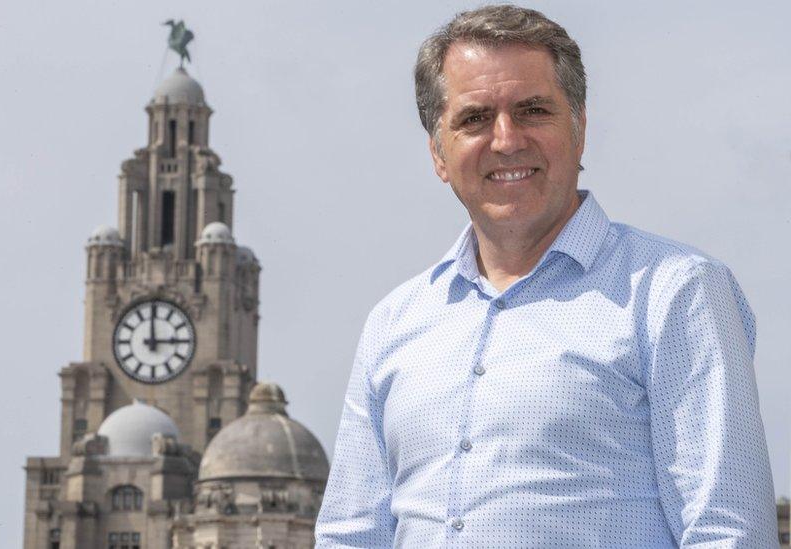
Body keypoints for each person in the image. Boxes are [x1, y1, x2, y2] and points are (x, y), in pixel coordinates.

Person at [314, 5, 777, 548]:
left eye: (533, 111)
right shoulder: (393, 323)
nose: (506, 140)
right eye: (475, 118)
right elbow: (351, 537)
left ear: (580, 128)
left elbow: (729, 531)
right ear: (438, 152)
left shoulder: (676, 293)